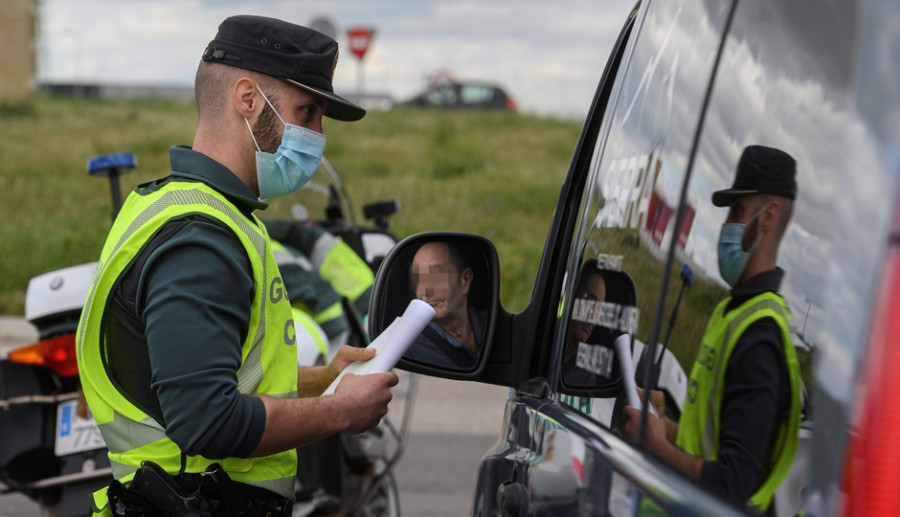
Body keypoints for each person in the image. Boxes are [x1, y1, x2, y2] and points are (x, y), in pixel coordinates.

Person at [75, 15, 398, 516]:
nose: (317, 134)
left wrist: (323, 380)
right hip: (193, 502)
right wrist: (339, 410)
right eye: (307, 111)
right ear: (247, 99)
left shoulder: (180, 205)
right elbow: (207, 421)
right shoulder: (203, 238)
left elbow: (214, 375)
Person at [621, 145, 803, 515]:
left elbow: (732, 486)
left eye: (737, 211)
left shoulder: (760, 336)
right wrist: (667, 425)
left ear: (768, 217)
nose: (726, 226)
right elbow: (709, 445)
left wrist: (657, 446)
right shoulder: (733, 311)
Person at [405, 241, 487, 368]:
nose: (426, 291)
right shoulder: (410, 349)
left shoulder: (494, 325)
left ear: (465, 281)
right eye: (419, 279)